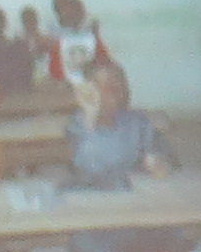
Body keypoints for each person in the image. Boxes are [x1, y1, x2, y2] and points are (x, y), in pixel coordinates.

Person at [66, 55, 166, 184]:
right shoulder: (77, 126)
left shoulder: (139, 123)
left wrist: (157, 164)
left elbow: (161, 159)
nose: (121, 93)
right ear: (89, 92)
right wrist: (91, 116)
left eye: (123, 86)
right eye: (110, 88)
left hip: (132, 188)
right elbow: (84, 165)